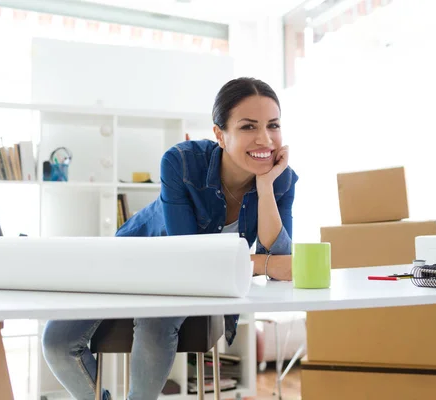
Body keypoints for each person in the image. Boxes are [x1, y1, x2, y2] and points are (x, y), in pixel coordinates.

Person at [41, 77, 299, 400]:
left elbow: (286, 264)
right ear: (220, 134)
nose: (265, 139)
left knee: (154, 326)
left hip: (179, 284)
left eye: (273, 125)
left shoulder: (281, 180)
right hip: (130, 260)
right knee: (56, 340)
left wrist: (265, 187)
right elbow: (187, 256)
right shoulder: (181, 163)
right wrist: (262, 264)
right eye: (249, 127)